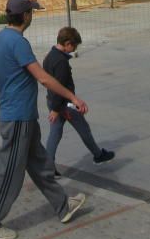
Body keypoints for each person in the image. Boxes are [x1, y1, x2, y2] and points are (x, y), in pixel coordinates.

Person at [0, 0, 89, 239]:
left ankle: (63, 206)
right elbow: (43, 78)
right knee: (8, 173)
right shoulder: (18, 43)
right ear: (25, 16)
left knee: (40, 165)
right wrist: (73, 98)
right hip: (18, 119)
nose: (32, 15)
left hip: (25, 117)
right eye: (31, 12)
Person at [43, 27, 115, 175]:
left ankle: (47, 167)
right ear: (68, 43)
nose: (74, 49)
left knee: (55, 133)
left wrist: (54, 107)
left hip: (53, 102)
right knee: (83, 128)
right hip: (64, 105)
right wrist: (57, 109)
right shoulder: (61, 62)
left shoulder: (49, 56)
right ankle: (98, 155)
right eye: (74, 46)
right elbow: (59, 86)